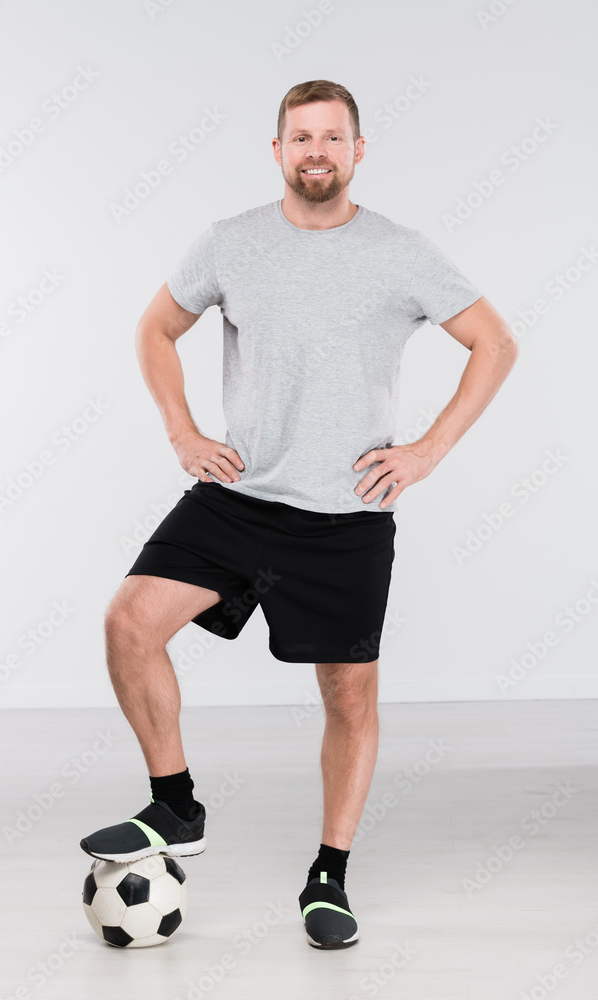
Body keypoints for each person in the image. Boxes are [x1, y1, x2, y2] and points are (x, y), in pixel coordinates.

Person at [79, 79, 519, 949]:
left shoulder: (401, 251)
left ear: (358, 152)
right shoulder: (229, 243)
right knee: (130, 621)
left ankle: (329, 874)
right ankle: (176, 804)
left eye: (332, 137)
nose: (316, 150)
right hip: (237, 497)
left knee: (347, 695)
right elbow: (154, 330)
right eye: (300, 137)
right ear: (276, 151)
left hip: (346, 513)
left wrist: (426, 451)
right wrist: (182, 431)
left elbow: (494, 343)